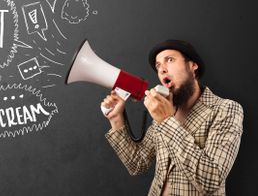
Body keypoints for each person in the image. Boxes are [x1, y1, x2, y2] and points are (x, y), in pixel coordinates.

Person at [101, 39, 243, 195]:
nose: (162, 69)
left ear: (193, 66)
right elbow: (137, 164)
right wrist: (116, 119)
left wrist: (166, 121)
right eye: (158, 65)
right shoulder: (166, 111)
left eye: (170, 60)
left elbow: (211, 180)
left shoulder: (226, 109)